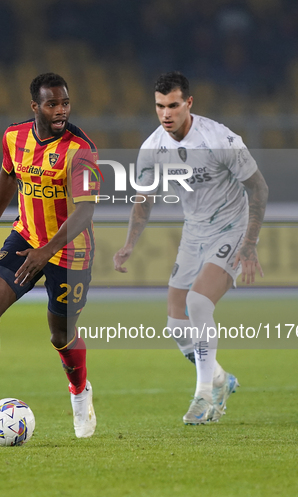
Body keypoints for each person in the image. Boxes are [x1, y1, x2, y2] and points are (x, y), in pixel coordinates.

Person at [0, 73, 99, 442]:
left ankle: (80, 392)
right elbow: (6, 177)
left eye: (65, 103)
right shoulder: (14, 137)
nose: (60, 111)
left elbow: (86, 210)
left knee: (61, 335)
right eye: (52, 104)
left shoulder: (82, 149)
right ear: (35, 107)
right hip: (25, 236)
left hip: (70, 252)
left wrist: (47, 252)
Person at [113, 72, 268, 425]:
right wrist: (129, 244)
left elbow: (258, 189)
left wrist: (249, 244)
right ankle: (220, 379)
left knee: (198, 303)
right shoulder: (152, 148)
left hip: (232, 227)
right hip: (194, 232)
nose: (165, 114)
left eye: (173, 105)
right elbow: (144, 198)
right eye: (159, 106)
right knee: (175, 323)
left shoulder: (219, 138)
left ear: (189, 104)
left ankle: (203, 395)